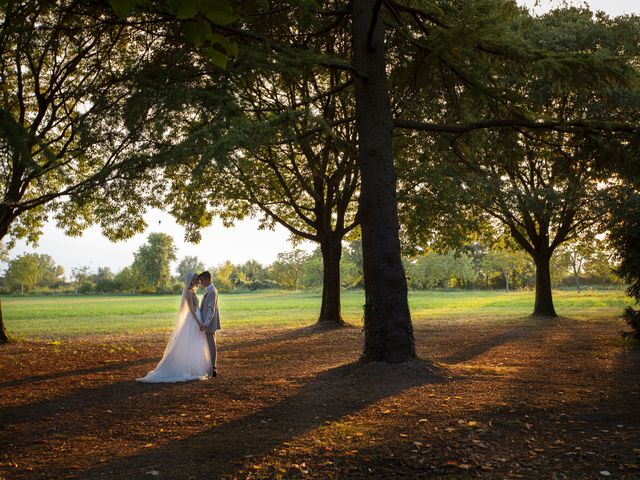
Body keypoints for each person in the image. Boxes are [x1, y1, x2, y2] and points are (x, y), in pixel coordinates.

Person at [137, 272, 211, 383]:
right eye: (196, 279)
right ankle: (187, 368)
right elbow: (191, 309)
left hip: (197, 316)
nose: (198, 281)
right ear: (191, 281)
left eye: (198, 279)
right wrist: (198, 323)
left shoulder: (193, 291)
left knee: (196, 343)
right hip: (193, 319)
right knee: (189, 343)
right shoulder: (187, 292)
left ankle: (194, 366)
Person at [198, 271, 221, 378]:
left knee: (211, 346)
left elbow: (210, 310)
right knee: (209, 345)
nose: (201, 282)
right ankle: (211, 367)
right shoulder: (209, 290)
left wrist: (206, 324)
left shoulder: (212, 291)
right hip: (207, 323)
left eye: (202, 280)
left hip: (209, 324)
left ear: (207, 279)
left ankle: (212, 368)